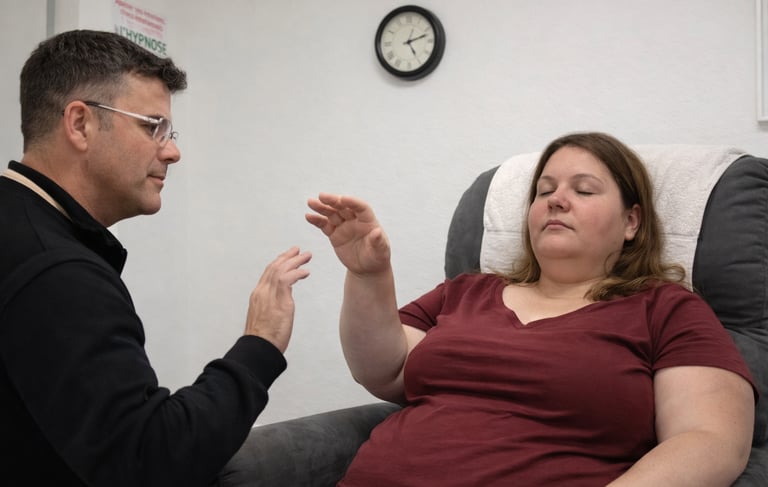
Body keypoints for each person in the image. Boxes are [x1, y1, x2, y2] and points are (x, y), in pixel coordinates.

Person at [306, 132, 757, 486]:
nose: (555, 199)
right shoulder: (466, 292)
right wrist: (369, 276)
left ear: (631, 222)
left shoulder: (665, 309)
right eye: (543, 191)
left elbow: (712, 441)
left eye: (583, 190)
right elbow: (381, 371)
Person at [0, 30, 311, 486]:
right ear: (80, 124)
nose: (172, 150)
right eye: (151, 126)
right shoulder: (58, 273)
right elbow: (154, 461)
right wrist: (260, 345)